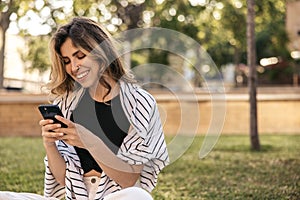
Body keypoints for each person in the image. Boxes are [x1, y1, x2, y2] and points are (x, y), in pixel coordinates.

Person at [0, 17, 169, 200]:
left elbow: (129, 179)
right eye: (66, 60)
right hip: (77, 196)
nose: (73, 67)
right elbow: (64, 180)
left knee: (138, 197)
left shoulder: (139, 104)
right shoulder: (67, 103)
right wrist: (49, 144)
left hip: (117, 195)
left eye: (80, 56)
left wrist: (88, 141)